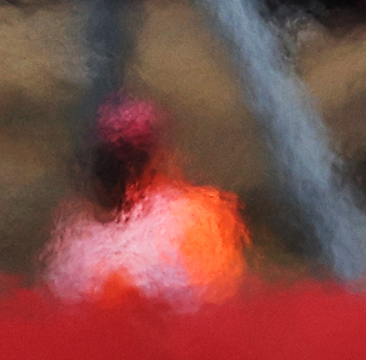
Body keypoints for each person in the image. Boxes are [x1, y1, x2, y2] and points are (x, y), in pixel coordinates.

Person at [44, 99, 252, 307]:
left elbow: (215, 298)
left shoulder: (192, 220)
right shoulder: (80, 240)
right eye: (112, 167)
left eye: (128, 164)